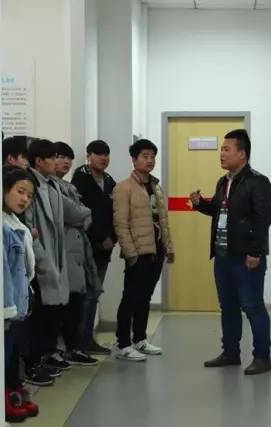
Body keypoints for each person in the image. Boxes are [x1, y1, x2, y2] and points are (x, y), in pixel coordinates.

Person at [189, 129, 271, 375]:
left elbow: (263, 220)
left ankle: (262, 357)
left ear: (242, 154)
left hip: (246, 258)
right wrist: (200, 204)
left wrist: (255, 252)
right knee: (228, 307)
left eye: (227, 149)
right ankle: (230, 353)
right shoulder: (223, 181)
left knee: (253, 307)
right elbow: (218, 210)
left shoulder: (258, 182)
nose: (222, 154)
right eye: (221, 149)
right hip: (223, 256)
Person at [24, 139, 90, 375]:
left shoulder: (51, 186)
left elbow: (79, 213)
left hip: (55, 256)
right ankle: (35, 361)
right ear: (39, 161)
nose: (57, 161)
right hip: (39, 261)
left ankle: (47, 354)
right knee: (39, 316)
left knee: (52, 312)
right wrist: (42, 259)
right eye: (53, 157)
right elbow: (29, 228)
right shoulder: (30, 185)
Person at [112, 138, 175, 361]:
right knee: (130, 297)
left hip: (156, 250)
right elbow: (121, 224)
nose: (150, 160)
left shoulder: (155, 186)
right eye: (145, 156)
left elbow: (163, 220)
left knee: (145, 297)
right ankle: (123, 343)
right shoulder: (124, 188)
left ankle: (140, 339)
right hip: (138, 252)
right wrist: (131, 253)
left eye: (152, 156)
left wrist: (168, 247)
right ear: (134, 159)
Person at [53, 142, 100, 366]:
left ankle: (75, 348)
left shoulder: (68, 186)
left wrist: (81, 214)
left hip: (78, 252)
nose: (65, 162)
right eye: (60, 157)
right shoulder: (50, 188)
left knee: (77, 304)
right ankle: (62, 350)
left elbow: (84, 218)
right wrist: (83, 213)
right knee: (63, 307)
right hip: (62, 253)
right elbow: (76, 213)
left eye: (68, 158)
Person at [71, 140, 117, 355]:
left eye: (106, 154)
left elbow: (115, 213)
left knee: (94, 294)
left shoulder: (109, 181)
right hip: (85, 247)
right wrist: (99, 238)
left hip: (104, 249)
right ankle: (78, 343)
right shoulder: (80, 179)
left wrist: (112, 238)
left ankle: (88, 340)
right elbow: (81, 214)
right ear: (89, 155)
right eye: (99, 154)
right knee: (83, 296)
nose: (104, 158)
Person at [2, 166, 39, 422]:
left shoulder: (16, 223)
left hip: (20, 302)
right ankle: (4, 399)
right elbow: (4, 273)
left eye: (29, 195)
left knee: (13, 352)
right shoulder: (2, 226)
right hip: (9, 306)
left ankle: (13, 392)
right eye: (20, 191)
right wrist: (7, 309)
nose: (25, 199)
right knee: (3, 355)